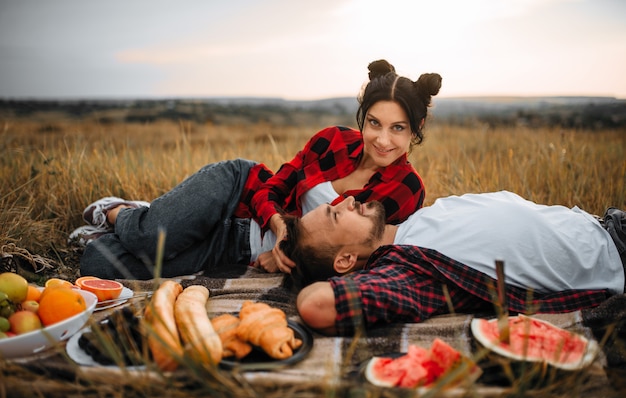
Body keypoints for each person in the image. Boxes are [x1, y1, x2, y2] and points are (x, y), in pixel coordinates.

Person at [72, 59, 443, 280]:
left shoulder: (407, 189)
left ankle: (146, 220)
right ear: (363, 118)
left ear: (417, 127)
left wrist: (293, 259)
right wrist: (279, 225)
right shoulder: (332, 140)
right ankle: (120, 211)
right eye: (374, 123)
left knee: (98, 263)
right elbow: (272, 188)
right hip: (237, 192)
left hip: (239, 246)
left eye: (398, 129)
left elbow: (362, 258)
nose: (382, 140)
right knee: (146, 238)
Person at [279, 191, 626, 336]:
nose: (349, 200)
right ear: (345, 260)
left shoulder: (412, 225)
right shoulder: (407, 270)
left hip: (606, 223)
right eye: (336, 215)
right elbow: (317, 304)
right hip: (614, 257)